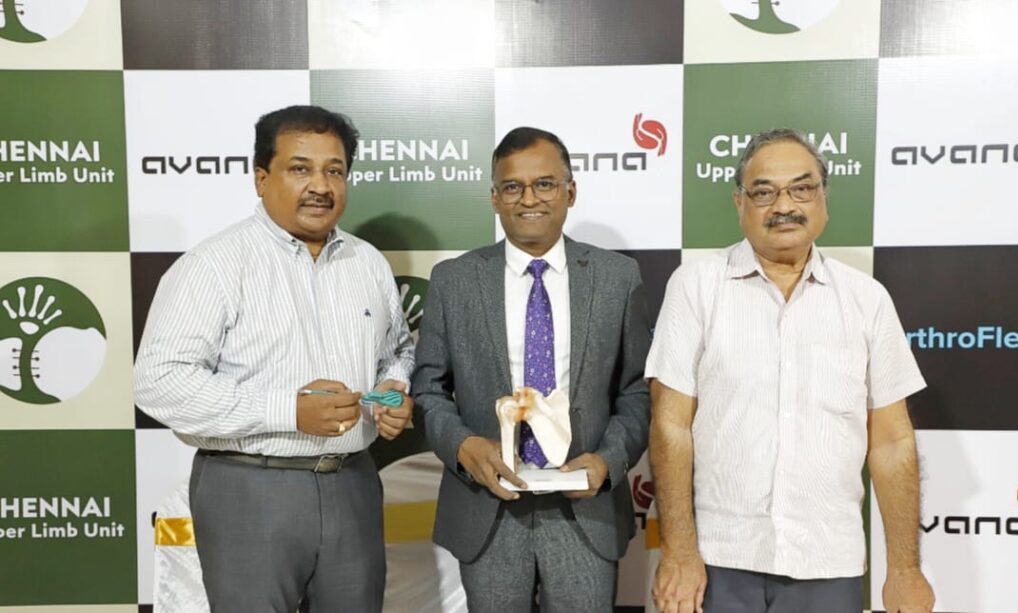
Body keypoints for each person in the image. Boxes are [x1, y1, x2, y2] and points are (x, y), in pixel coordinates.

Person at [134, 105, 415, 612]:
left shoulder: (367, 262)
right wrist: (288, 409)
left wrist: (392, 388)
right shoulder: (214, 265)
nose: (321, 186)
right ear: (261, 178)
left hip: (353, 484)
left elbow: (397, 351)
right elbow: (159, 381)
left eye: (334, 171)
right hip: (249, 488)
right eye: (300, 169)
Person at [647, 128, 935, 613]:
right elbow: (670, 426)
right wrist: (678, 551)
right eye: (764, 192)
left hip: (829, 562)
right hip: (718, 560)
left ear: (824, 199)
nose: (784, 206)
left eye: (802, 189)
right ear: (739, 203)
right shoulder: (695, 286)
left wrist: (904, 570)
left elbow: (891, 442)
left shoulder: (866, 299)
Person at [412, 127, 651, 611]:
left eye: (544, 184)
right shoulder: (455, 280)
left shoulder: (617, 277)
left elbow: (637, 391)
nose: (529, 199)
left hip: (585, 511)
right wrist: (463, 447)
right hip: (488, 507)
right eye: (513, 187)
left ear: (570, 191)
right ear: (494, 198)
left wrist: (608, 460)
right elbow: (428, 389)